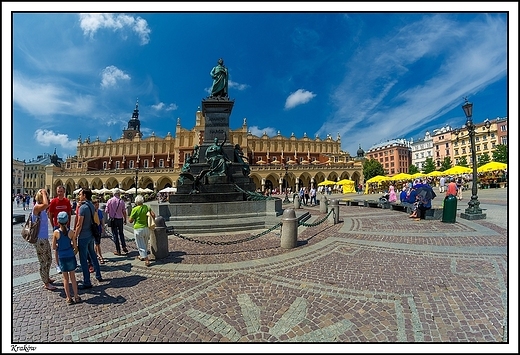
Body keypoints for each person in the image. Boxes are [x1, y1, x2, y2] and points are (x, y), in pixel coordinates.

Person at [74, 189, 103, 289]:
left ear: (85, 195)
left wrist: (75, 236)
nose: (79, 195)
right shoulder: (91, 205)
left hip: (83, 236)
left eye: (80, 194)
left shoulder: (83, 208)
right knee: (93, 255)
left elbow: (79, 224)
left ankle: (87, 281)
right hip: (91, 234)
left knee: (83, 260)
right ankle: (98, 274)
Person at [52, 211, 80, 304]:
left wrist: (59, 245)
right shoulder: (71, 232)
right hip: (70, 256)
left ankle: (68, 298)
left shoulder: (56, 233)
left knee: (65, 279)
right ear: (67, 221)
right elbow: (75, 247)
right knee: (73, 277)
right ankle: (76, 296)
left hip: (62, 257)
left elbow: (54, 247)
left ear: (58, 221)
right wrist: (71, 246)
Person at [32, 189, 57, 291]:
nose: (46, 196)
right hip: (39, 239)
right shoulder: (37, 207)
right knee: (43, 261)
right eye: (45, 195)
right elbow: (47, 204)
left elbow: (48, 204)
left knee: (49, 259)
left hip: (44, 239)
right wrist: (43, 192)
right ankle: (46, 283)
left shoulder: (42, 208)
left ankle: (47, 277)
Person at [48, 185, 72, 274]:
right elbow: (50, 214)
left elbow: (69, 213)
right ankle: (58, 265)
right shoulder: (54, 201)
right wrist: (53, 225)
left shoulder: (67, 201)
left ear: (64, 192)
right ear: (56, 192)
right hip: (57, 226)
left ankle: (67, 262)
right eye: (58, 191)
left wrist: (68, 224)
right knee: (57, 247)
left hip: (66, 226)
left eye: (61, 191)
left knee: (67, 245)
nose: (60, 193)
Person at [128, 195, 156, 267]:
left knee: (140, 245)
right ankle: (142, 256)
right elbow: (153, 215)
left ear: (136, 201)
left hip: (138, 228)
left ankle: (146, 259)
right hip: (146, 228)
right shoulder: (146, 207)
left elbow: (130, 220)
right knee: (145, 243)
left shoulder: (135, 209)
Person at [105, 188, 128, 256]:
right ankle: (124, 246)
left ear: (113, 193)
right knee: (121, 233)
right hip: (120, 219)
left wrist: (111, 211)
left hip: (113, 219)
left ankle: (118, 250)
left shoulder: (109, 201)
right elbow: (124, 211)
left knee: (115, 235)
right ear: (119, 193)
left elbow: (106, 211)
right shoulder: (121, 201)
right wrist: (125, 219)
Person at [92, 199, 106, 264]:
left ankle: (95, 254)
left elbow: (102, 219)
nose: (97, 206)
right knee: (97, 243)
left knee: (97, 242)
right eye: (96, 205)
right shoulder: (91, 212)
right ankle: (100, 256)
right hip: (93, 229)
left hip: (98, 229)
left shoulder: (99, 211)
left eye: (98, 205)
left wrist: (103, 227)